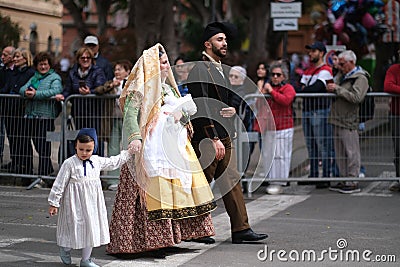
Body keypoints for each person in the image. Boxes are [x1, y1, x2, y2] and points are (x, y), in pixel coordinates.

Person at [107, 43, 216, 258]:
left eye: (167, 62)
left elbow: (181, 114)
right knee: (149, 194)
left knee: (173, 192)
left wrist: (182, 116)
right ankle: (138, 242)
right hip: (148, 148)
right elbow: (130, 115)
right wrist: (134, 138)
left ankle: (168, 237)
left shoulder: (167, 87)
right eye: (163, 63)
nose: (167, 67)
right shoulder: (140, 89)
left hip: (171, 148)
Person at [186, 21, 268, 244]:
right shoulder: (200, 68)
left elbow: (227, 96)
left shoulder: (221, 67)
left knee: (231, 181)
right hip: (208, 137)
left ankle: (241, 229)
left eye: (225, 39)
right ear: (207, 43)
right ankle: (195, 229)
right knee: (202, 184)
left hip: (224, 134)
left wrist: (233, 108)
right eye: (219, 39)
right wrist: (212, 137)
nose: (224, 43)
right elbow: (199, 105)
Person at [48, 128, 132, 267]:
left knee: (91, 230)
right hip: (74, 204)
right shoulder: (69, 163)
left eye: (88, 150)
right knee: (73, 228)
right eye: (81, 149)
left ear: (94, 148)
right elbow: (59, 183)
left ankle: (86, 260)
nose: (84, 153)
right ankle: (65, 248)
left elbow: (113, 162)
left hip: (93, 203)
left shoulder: (96, 161)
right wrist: (54, 202)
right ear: (76, 146)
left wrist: (128, 153)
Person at [327, 50, 369, 194]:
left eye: (343, 63)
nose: (341, 66)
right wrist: (337, 76)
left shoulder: (360, 78)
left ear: (352, 62)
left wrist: (338, 89)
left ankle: (352, 180)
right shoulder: (344, 75)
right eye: (339, 63)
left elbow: (357, 97)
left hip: (349, 120)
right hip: (337, 118)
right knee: (340, 152)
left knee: (351, 152)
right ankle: (344, 178)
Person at [56, 47, 106, 157]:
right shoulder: (73, 72)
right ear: (78, 59)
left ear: (92, 59)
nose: (85, 59)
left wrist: (90, 92)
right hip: (78, 112)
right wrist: (63, 95)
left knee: (94, 140)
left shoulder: (98, 71)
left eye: (88, 57)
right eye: (82, 57)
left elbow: (101, 88)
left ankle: (96, 167)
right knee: (81, 140)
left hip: (94, 112)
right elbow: (68, 89)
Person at [20, 52, 62, 177]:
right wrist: (26, 93)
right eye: (40, 64)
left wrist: (36, 94)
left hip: (45, 116)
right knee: (32, 143)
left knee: (43, 145)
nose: (43, 67)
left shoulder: (54, 77)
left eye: (45, 64)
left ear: (49, 65)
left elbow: (56, 90)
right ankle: (38, 171)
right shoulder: (34, 77)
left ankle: (45, 172)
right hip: (31, 115)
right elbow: (22, 89)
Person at [299, 41, 335, 188]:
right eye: (310, 51)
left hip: (319, 111)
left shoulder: (326, 70)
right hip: (307, 111)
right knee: (311, 144)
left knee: (323, 144)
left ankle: (325, 176)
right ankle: (314, 174)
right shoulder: (308, 70)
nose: (310, 54)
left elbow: (316, 88)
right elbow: (302, 88)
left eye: (313, 51)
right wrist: (304, 91)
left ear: (321, 53)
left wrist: (304, 91)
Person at [94, 59, 132, 190]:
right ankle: (112, 180)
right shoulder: (111, 83)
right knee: (113, 147)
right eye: (115, 69)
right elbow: (98, 90)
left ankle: (130, 179)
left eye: (120, 69)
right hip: (113, 119)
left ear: (127, 71)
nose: (117, 71)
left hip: (128, 119)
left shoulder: (132, 83)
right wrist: (111, 86)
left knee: (129, 147)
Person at [259, 61, 296, 195]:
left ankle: (279, 181)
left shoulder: (288, 88)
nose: (275, 77)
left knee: (281, 155)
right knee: (269, 155)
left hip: (283, 127)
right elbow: (258, 104)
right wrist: (262, 92)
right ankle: (271, 180)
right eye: (273, 74)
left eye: (278, 75)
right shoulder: (267, 87)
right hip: (269, 127)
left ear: (284, 76)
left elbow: (285, 100)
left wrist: (271, 92)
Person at [1, 48, 35, 177]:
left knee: (23, 139)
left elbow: (23, 88)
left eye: (18, 57)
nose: (15, 59)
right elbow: (8, 87)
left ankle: (26, 165)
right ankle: (16, 161)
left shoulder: (30, 73)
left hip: (21, 109)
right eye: (14, 57)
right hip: (9, 109)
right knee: (12, 138)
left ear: (25, 58)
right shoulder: (13, 72)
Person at [229, 66, 254, 174]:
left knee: (242, 155)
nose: (233, 78)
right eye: (231, 76)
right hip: (234, 129)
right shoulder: (228, 89)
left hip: (242, 128)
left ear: (242, 79)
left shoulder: (242, 91)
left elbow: (235, 105)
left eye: (236, 76)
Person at [384, 47, 400, 192]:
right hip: (397, 114)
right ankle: (399, 179)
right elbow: (388, 86)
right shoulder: (394, 69)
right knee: (399, 149)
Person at [0, 46, 16, 168]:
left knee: (13, 136)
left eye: (5, 55)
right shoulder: (2, 70)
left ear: (12, 56)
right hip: (2, 107)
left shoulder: (16, 71)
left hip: (12, 108)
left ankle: (15, 161)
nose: (2, 57)